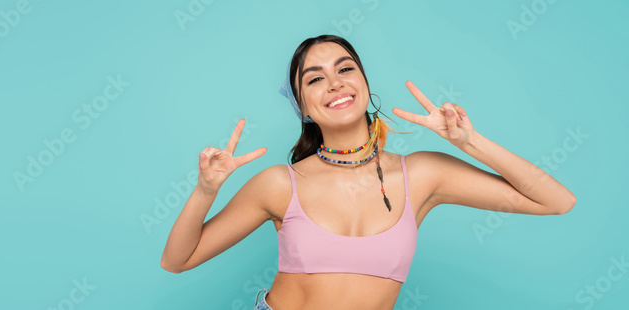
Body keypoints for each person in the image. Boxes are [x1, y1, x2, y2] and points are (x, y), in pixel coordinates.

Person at [159, 34, 577, 310]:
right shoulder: (279, 184)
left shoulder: (423, 175)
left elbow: (557, 201)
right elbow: (177, 261)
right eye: (315, 79)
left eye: (345, 69)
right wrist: (205, 190)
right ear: (303, 107)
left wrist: (470, 143)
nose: (335, 83)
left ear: (363, 81)